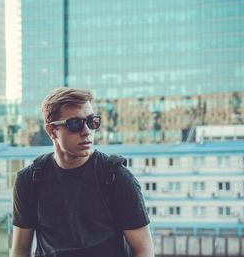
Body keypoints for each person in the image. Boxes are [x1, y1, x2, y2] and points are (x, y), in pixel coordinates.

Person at [11, 87, 154, 257]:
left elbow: (143, 250)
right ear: (51, 131)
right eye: (75, 124)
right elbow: (20, 249)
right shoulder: (30, 180)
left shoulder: (117, 178)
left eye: (91, 121)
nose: (87, 132)